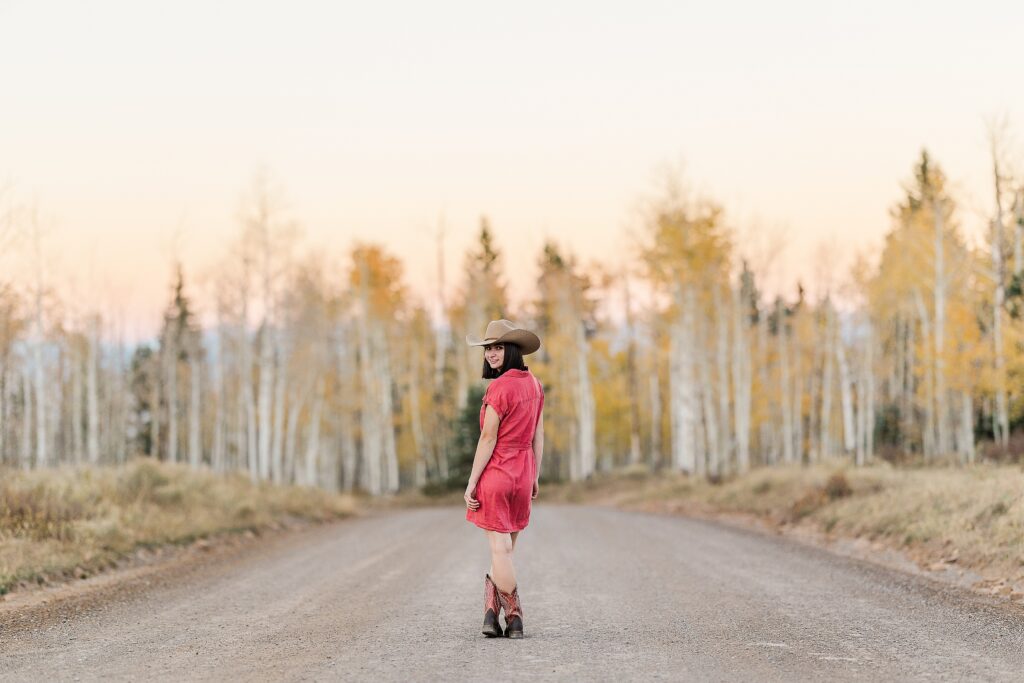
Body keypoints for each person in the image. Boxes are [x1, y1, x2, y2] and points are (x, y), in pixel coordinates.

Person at [464, 319, 544, 639]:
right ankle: (489, 613)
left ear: (512, 350)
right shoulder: (535, 384)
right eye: (488, 349)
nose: (491, 354)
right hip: (523, 472)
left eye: (498, 348)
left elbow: (487, 438)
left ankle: (513, 615)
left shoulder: (499, 387)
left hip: (498, 470)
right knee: (505, 550)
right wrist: (535, 475)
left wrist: (472, 482)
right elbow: (538, 434)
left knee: (500, 551)